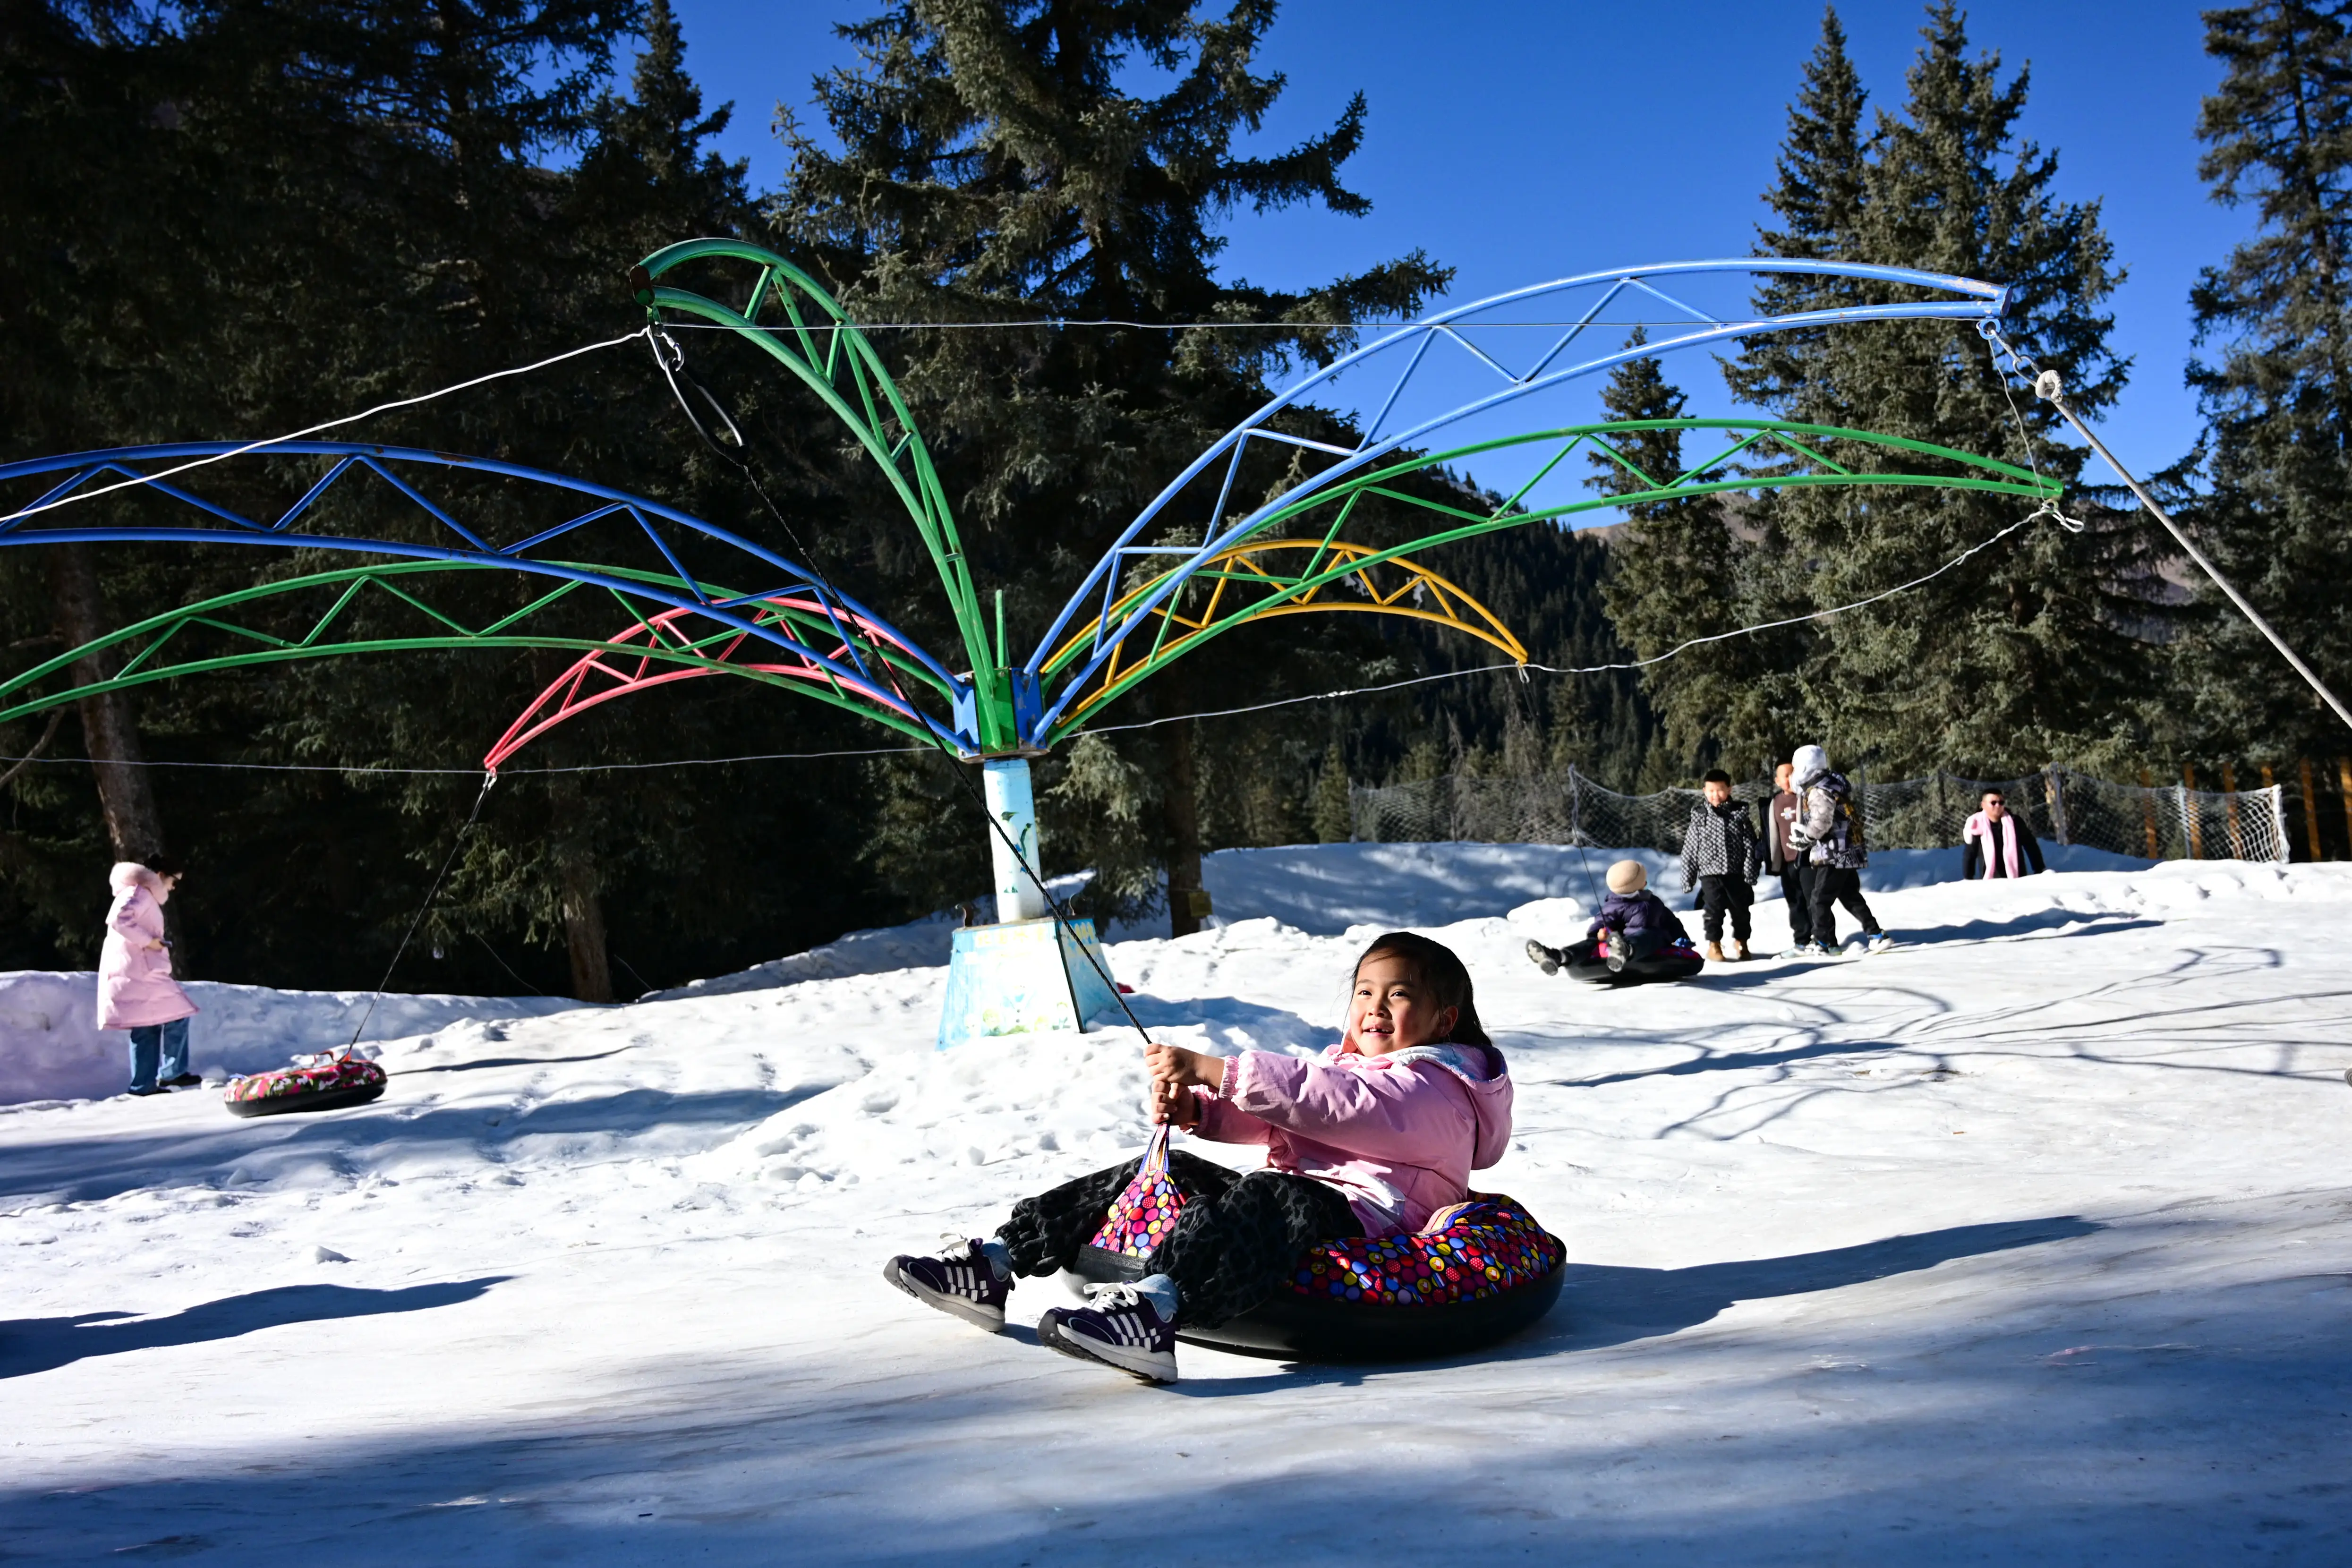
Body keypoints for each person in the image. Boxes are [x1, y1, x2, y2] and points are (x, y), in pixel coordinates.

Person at [884, 932, 1512, 1384]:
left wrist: (1222, 1070)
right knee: (1166, 1173)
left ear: (1442, 1019)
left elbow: (1344, 1108)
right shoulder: (1348, 1068)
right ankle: (999, 1259)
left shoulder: (1438, 1090)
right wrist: (1202, 1113)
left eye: (1398, 996)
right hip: (1301, 1200)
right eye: (1365, 992)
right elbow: (1298, 1115)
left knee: (1274, 1196)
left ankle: (1157, 1311)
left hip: (1374, 1216)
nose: (1375, 1008)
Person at [97, 856, 201, 1096]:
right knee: (177, 1014)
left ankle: (147, 1083)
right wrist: (150, 942)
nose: (174, 887)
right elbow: (118, 920)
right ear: (162, 875)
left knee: (149, 1025)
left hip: (136, 970)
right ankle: (169, 1074)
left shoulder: (139, 893)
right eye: (174, 881)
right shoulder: (140, 893)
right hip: (139, 971)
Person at [1525, 860, 1701, 982]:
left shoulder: (1647, 902)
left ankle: (1622, 950)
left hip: (1638, 941)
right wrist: (1599, 932)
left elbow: (1672, 922)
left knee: (1652, 935)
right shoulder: (1626, 904)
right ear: (1642, 882)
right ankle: (1558, 957)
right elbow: (1604, 921)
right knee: (1592, 943)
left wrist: (1681, 939)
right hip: (1630, 941)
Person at [1788, 745, 1888, 954]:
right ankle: (1876, 935)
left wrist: (1807, 835)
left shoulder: (1818, 790)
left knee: (1819, 899)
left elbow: (1822, 820)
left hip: (1835, 854)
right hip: (1845, 851)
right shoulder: (1830, 785)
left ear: (1806, 767)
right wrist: (1807, 840)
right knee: (1850, 896)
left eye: (1796, 768)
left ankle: (1822, 942)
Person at [1679, 769, 1762, 961]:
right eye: (1711, 791)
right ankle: (1714, 944)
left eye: (1720, 790)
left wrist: (1750, 870)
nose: (1715, 795)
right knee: (1714, 910)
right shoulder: (1700, 818)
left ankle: (1742, 941)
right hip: (1710, 873)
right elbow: (1690, 850)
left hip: (1736, 873)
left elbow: (1750, 845)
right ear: (1704, 791)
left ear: (1729, 790)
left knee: (1741, 909)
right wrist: (1688, 878)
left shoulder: (1739, 816)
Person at [1762, 760, 1814, 954]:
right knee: (1795, 901)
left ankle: (1821, 938)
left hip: (1807, 859)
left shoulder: (1806, 797)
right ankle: (1802, 940)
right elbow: (1770, 832)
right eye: (1785, 775)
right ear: (1777, 781)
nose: (1790, 778)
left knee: (1812, 900)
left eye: (1793, 774)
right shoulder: (1775, 803)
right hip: (1786, 862)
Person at [1961, 788, 2045, 879]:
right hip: (1991, 880)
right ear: (1983, 805)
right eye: (1993, 803)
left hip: (2017, 878)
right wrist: (1968, 877)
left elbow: (2031, 846)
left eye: (2001, 802)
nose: (1998, 805)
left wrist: (2039, 869)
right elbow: (1970, 853)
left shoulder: (2015, 822)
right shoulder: (1977, 824)